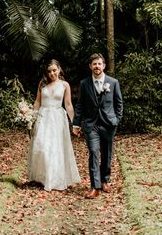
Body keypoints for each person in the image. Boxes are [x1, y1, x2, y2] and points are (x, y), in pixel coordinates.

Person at [72, 53, 123, 199]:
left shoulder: (113, 82)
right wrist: (76, 123)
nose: (97, 66)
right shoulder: (84, 83)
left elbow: (119, 103)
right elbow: (80, 104)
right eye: (94, 64)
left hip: (108, 124)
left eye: (99, 64)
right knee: (94, 152)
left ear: (104, 65)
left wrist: (116, 120)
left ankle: (104, 180)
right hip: (91, 125)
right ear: (90, 66)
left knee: (107, 153)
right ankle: (95, 187)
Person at [26, 59, 81, 191]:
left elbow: (68, 105)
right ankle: (42, 177)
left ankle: (55, 178)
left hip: (57, 118)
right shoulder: (42, 84)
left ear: (59, 69)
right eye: (49, 71)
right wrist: (31, 118)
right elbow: (37, 102)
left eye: (54, 70)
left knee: (56, 147)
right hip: (43, 117)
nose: (52, 73)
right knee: (42, 146)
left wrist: (75, 123)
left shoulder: (64, 85)